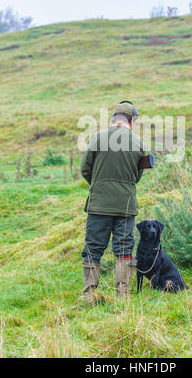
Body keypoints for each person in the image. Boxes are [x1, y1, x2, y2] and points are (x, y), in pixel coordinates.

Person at [81, 101, 144, 302]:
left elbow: (85, 169)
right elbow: (137, 176)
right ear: (131, 121)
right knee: (124, 248)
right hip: (126, 205)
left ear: (114, 119)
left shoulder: (97, 138)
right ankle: (123, 294)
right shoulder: (138, 143)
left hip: (99, 203)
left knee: (93, 247)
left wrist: (100, 185)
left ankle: (89, 293)